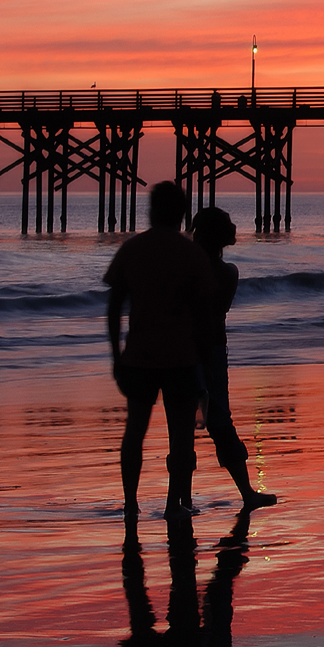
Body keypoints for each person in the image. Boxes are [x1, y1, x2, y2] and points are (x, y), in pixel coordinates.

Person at [105, 181, 215, 521]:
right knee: (180, 436)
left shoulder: (132, 249)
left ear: (151, 211)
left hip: (140, 355)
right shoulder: (192, 254)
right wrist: (205, 363)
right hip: (182, 357)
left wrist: (116, 355)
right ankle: (172, 505)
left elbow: (113, 308)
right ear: (182, 214)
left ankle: (130, 503)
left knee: (135, 431)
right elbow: (206, 315)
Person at [191, 206, 277, 511]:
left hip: (187, 350)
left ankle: (180, 499)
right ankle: (246, 492)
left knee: (183, 425)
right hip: (213, 350)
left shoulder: (190, 272)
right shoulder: (229, 272)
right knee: (219, 421)